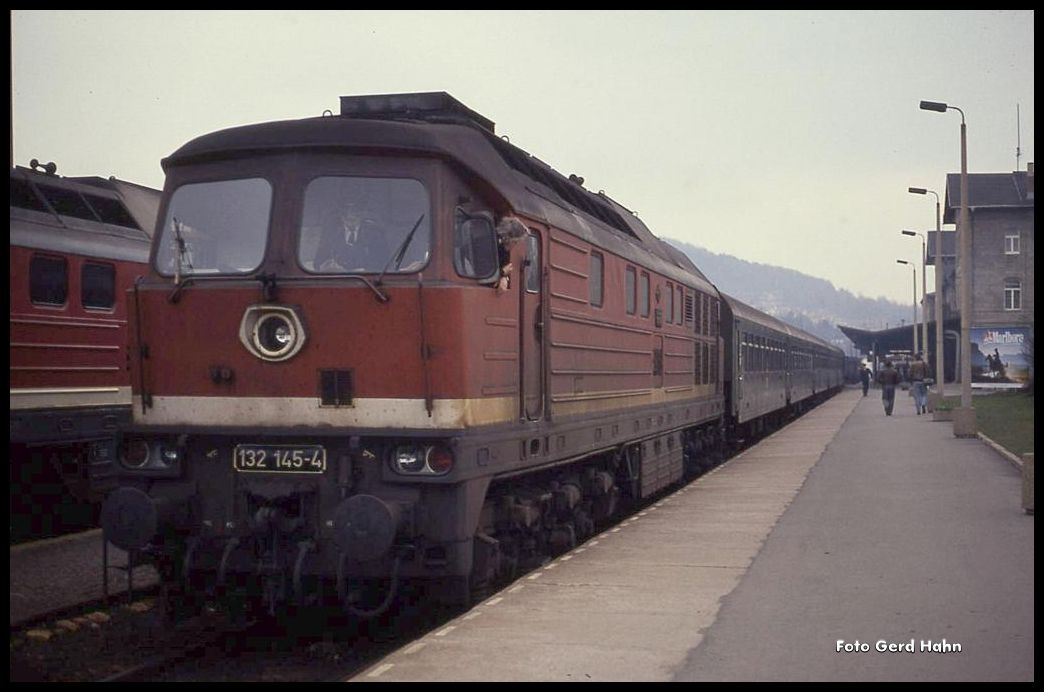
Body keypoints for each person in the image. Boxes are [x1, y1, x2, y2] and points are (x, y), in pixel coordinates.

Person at [494, 216, 528, 292]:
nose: (515, 245)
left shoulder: (505, 253)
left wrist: (504, 277)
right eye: (515, 242)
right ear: (508, 238)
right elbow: (484, 276)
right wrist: (502, 273)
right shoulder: (491, 248)